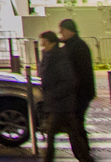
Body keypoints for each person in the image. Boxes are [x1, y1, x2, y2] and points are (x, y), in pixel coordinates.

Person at [38, 31, 93, 162]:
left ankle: (83, 158)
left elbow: (69, 81)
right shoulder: (49, 56)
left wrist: (54, 95)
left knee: (53, 136)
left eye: (44, 42)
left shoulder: (60, 58)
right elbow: (43, 75)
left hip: (62, 104)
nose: (42, 45)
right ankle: (85, 158)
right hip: (57, 104)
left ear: (51, 42)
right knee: (73, 135)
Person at [58, 19, 96, 157]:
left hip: (79, 94)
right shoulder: (72, 46)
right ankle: (83, 153)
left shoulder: (78, 47)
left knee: (76, 125)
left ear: (69, 30)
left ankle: (83, 154)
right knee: (76, 125)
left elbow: (80, 73)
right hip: (77, 93)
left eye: (62, 29)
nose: (60, 32)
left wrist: (74, 92)